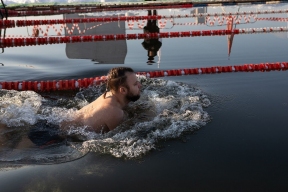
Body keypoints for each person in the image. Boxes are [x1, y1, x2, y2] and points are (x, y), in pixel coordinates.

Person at [71, 67, 142, 133]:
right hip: (68, 134)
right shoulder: (115, 112)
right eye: (135, 84)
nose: (140, 85)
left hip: (68, 119)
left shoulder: (108, 95)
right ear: (123, 90)